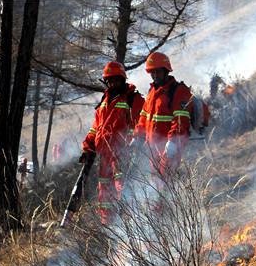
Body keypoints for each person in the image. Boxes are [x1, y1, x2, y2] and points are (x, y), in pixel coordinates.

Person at [79, 61, 145, 224]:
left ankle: (129, 226)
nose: (112, 83)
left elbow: (142, 124)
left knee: (123, 189)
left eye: (115, 80)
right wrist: (88, 147)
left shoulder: (133, 99)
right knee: (104, 192)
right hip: (104, 155)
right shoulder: (103, 103)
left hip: (124, 154)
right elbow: (95, 129)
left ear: (122, 79)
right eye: (109, 80)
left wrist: (134, 142)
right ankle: (107, 225)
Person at [134, 52, 193, 179]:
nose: (155, 75)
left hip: (169, 146)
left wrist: (172, 141)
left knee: (165, 180)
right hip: (152, 147)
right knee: (155, 181)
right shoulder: (152, 92)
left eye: (158, 72)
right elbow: (144, 117)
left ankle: (172, 199)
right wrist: (137, 136)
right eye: (152, 72)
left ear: (166, 71)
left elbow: (180, 119)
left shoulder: (178, 90)